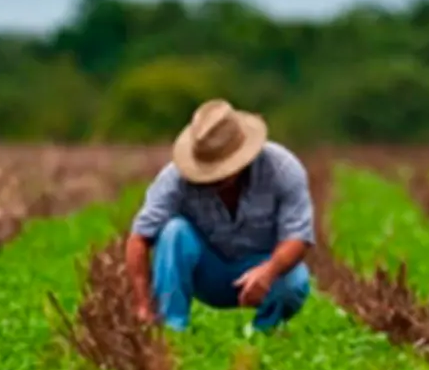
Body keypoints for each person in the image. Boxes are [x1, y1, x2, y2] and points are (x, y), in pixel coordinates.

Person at [124, 98, 314, 332]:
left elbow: (298, 238)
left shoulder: (282, 169)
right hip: (208, 271)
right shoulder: (175, 178)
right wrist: (143, 304)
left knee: (295, 280)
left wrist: (268, 271)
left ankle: (263, 335)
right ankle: (171, 329)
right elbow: (139, 238)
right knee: (174, 232)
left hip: (261, 268)